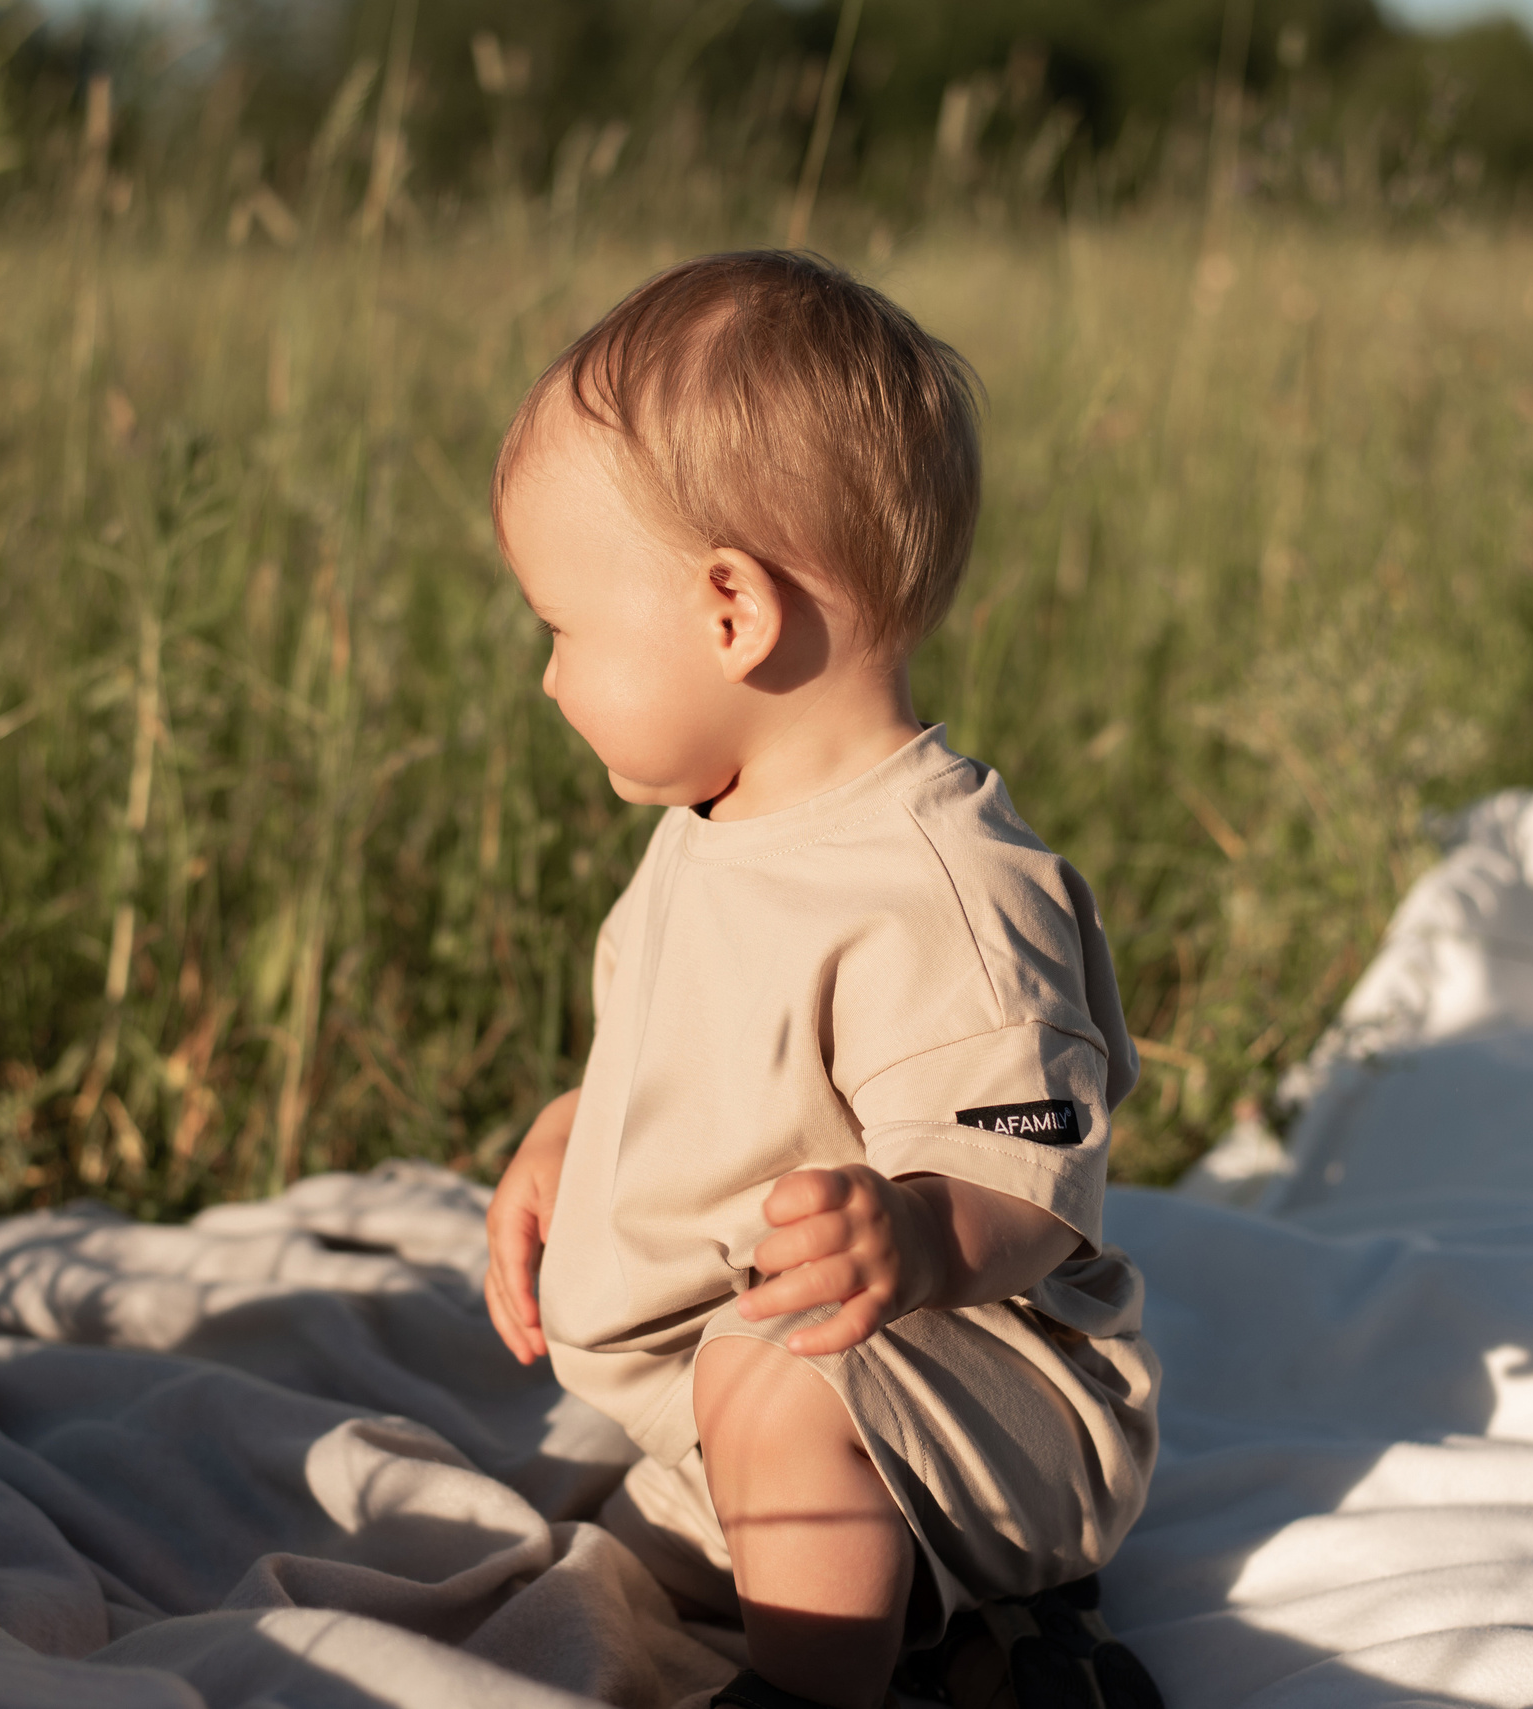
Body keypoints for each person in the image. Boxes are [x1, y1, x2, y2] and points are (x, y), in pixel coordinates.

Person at [480, 250, 1160, 1709]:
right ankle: (957, 1639)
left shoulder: (948, 885)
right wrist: (569, 1129)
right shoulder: (712, 829)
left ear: (730, 610)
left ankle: (829, 1683)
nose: (549, 679)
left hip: (983, 1407)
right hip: (766, 1389)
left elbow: (1027, 1173)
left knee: (776, 1378)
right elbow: (689, 1047)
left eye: (565, 631)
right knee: (752, 1395)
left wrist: (915, 1234)